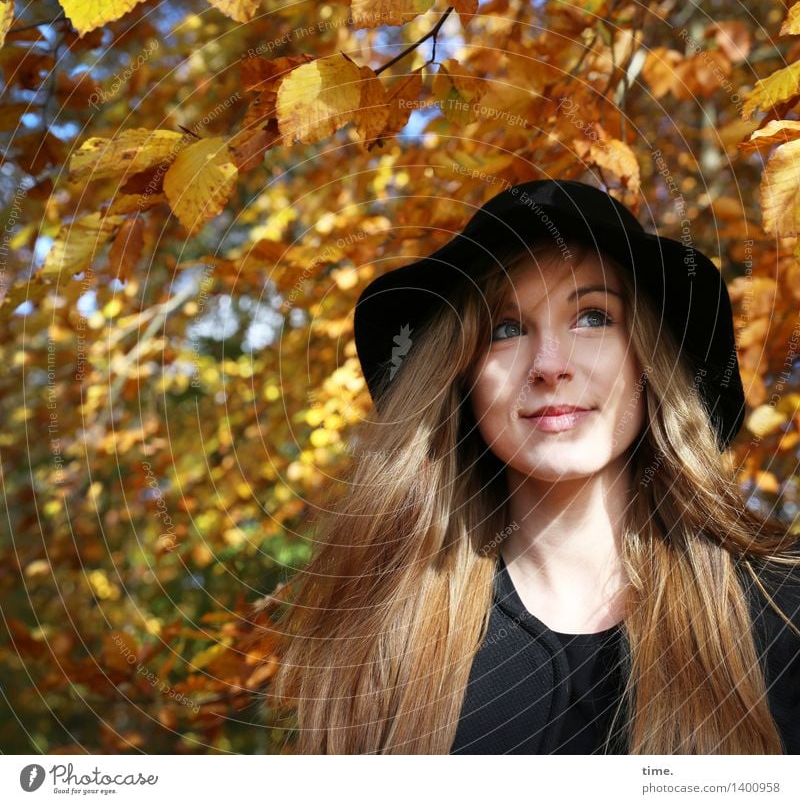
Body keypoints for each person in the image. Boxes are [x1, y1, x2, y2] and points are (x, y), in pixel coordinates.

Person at [268, 179, 800, 754]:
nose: (550, 366)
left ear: (647, 356)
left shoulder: (784, 614)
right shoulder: (379, 641)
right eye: (506, 329)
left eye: (593, 317)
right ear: (461, 378)